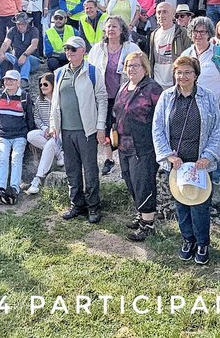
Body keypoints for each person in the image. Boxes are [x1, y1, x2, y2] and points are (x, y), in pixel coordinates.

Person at [155, 55, 220, 263]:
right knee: (181, 204)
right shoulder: (166, 97)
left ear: (195, 75)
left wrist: (208, 156)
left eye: (187, 72)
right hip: (177, 164)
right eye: (179, 72)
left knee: (200, 205)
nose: (182, 76)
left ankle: (202, 243)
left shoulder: (207, 97)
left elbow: (217, 130)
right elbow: (157, 128)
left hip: (200, 163)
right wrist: (168, 155)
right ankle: (188, 240)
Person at [49, 36, 109, 224]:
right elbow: (54, 102)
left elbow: (102, 99)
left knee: (90, 169)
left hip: (86, 130)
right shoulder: (59, 73)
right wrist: (53, 125)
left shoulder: (92, 71)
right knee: (71, 169)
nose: (69, 52)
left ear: (83, 50)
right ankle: (77, 204)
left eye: (73, 49)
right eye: (67, 49)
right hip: (65, 130)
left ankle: (93, 206)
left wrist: (100, 126)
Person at [113, 51, 163, 241]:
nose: (131, 69)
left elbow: (161, 118)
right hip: (123, 144)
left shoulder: (153, 89)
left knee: (143, 183)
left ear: (145, 68)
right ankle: (141, 214)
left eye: (136, 65)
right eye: (128, 65)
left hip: (143, 146)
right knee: (131, 181)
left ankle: (148, 224)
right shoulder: (124, 86)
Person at [87, 17, 140, 176]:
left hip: (125, 96)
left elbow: (141, 68)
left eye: (114, 26)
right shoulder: (97, 49)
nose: (111, 29)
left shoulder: (131, 48)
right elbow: (90, 70)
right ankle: (108, 159)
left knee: (124, 127)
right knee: (105, 127)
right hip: (103, 95)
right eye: (108, 26)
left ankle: (126, 158)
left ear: (122, 29)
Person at [0, 70, 36, 204]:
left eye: (11, 80)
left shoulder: (24, 97)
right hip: (3, 134)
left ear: (18, 82)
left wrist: (31, 137)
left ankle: (14, 189)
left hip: (20, 135)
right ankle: (0, 188)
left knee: (16, 157)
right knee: (3, 158)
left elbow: (30, 117)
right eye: (6, 79)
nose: (8, 82)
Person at [25, 72, 63, 195]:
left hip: (60, 132)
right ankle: (59, 154)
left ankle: (38, 178)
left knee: (50, 144)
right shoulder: (39, 100)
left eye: (45, 84)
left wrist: (54, 129)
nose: (42, 87)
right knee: (31, 136)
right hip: (46, 132)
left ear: (52, 84)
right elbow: (37, 117)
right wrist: (45, 128)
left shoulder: (60, 99)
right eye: (40, 85)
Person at [180, 17, 220, 105]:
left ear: (209, 33)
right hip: (190, 106)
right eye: (195, 31)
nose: (198, 35)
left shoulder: (219, 52)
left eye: (202, 32)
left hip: (214, 106)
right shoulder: (186, 54)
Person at [149, 2, 191, 87]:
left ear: (173, 15)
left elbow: (188, 57)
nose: (161, 15)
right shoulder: (153, 34)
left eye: (165, 12)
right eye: (159, 12)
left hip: (175, 82)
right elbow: (152, 59)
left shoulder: (182, 32)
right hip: (157, 82)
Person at [0, 12, 40, 86]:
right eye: (18, 24)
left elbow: (34, 45)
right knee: (5, 56)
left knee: (27, 58)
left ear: (27, 23)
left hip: (32, 59)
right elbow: (6, 43)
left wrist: (24, 55)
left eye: (23, 24)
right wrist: (2, 53)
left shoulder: (34, 30)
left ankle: (23, 80)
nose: (20, 26)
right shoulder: (12, 30)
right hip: (16, 59)